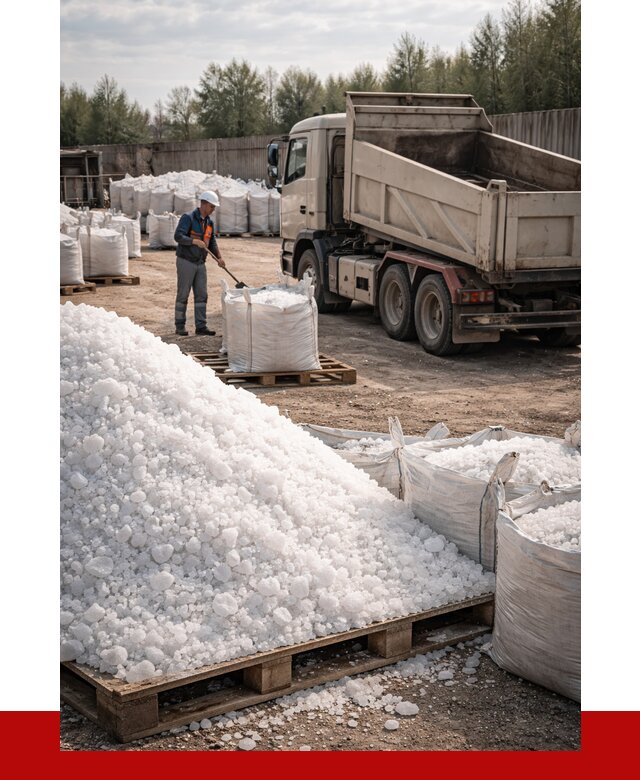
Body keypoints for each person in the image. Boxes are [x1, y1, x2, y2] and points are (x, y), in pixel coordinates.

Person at [173, 191, 226, 336]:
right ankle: (180, 326)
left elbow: (212, 242)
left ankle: (201, 326)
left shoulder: (209, 223)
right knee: (183, 294)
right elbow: (178, 236)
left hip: (200, 263)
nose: (213, 209)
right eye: (211, 206)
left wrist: (219, 258)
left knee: (202, 295)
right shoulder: (188, 218)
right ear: (203, 203)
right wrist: (193, 241)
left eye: (214, 207)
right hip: (186, 261)